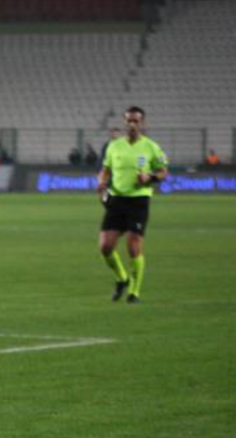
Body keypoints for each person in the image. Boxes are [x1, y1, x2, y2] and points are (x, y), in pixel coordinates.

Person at [97, 106, 168, 304]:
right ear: (124, 122)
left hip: (139, 199)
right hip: (117, 199)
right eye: (129, 120)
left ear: (142, 123)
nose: (132, 124)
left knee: (133, 245)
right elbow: (105, 170)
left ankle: (134, 293)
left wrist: (150, 177)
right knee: (105, 246)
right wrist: (101, 183)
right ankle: (122, 278)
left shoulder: (151, 147)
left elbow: (163, 172)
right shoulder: (114, 146)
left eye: (136, 121)